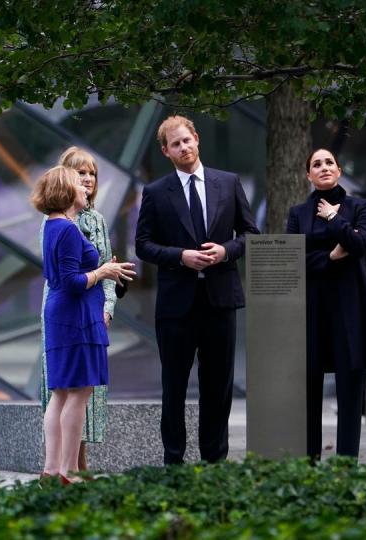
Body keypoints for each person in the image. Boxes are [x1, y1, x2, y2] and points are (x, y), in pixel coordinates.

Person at [135, 115, 259, 465]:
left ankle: (214, 463)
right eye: (175, 144)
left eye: (186, 140)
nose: (183, 147)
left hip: (220, 301)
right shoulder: (156, 192)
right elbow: (143, 244)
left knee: (218, 388)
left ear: (197, 139)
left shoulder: (228, 182)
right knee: (174, 387)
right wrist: (180, 257)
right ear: (166, 152)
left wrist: (225, 251)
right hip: (176, 306)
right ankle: (174, 462)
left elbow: (250, 234)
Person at [286, 148, 366, 460]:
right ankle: (309, 462)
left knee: (350, 390)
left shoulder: (359, 206)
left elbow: (360, 246)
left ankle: (347, 464)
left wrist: (334, 218)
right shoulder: (298, 213)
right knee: (308, 389)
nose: (323, 167)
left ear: (339, 170)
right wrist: (330, 257)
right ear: (308, 175)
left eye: (329, 162)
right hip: (311, 309)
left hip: (351, 308)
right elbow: (293, 260)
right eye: (316, 164)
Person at [31, 166, 135, 482]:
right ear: (65, 191)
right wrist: (102, 272)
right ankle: (68, 470)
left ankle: (53, 469)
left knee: (62, 393)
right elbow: (72, 281)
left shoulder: (55, 226)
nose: (86, 186)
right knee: (78, 393)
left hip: (66, 315)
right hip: (75, 317)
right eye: (79, 182)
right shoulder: (65, 229)